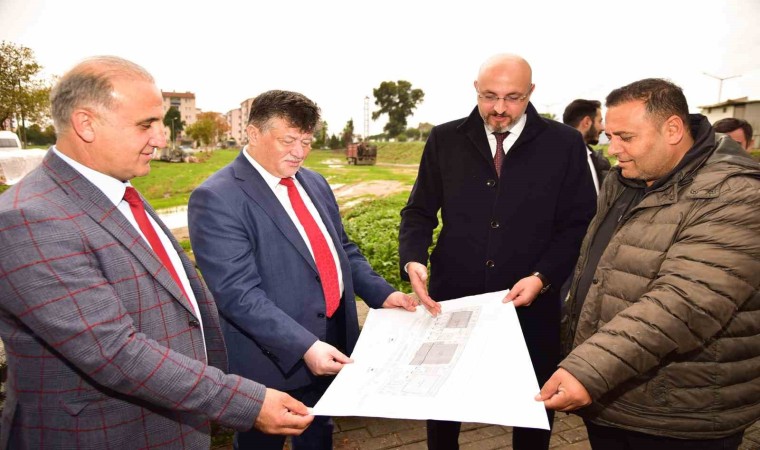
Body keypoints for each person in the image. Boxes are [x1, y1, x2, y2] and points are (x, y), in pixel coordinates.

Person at [0, 57, 313, 449]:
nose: (161, 139)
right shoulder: (30, 219)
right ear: (86, 124)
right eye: (145, 124)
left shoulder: (116, 187)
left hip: (170, 423)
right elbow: (114, 351)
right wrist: (246, 402)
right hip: (106, 435)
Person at [187, 89, 428, 450]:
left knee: (319, 436)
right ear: (253, 133)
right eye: (288, 140)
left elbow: (342, 250)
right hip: (270, 360)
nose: (299, 152)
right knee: (259, 445)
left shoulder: (314, 182)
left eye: (306, 141)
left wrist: (383, 294)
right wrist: (305, 346)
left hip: (331, 341)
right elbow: (237, 294)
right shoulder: (217, 197)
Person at [539, 78, 760, 449]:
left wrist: (589, 367)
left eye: (626, 137)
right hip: (612, 396)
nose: (614, 149)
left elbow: (685, 302)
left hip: (678, 412)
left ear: (672, 130)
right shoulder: (624, 180)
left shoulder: (736, 194)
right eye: (610, 136)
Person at [398, 53, 597, 450]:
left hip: (530, 303)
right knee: (443, 402)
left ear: (531, 92)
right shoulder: (444, 139)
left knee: (532, 407)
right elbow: (419, 211)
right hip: (454, 299)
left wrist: (542, 276)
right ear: (475, 88)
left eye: (513, 97)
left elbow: (578, 225)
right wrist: (413, 258)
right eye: (489, 96)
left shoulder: (564, 143)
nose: (500, 108)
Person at [562, 99, 612, 193]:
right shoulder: (553, 160)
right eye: (600, 121)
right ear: (587, 122)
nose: (602, 128)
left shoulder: (600, 162)